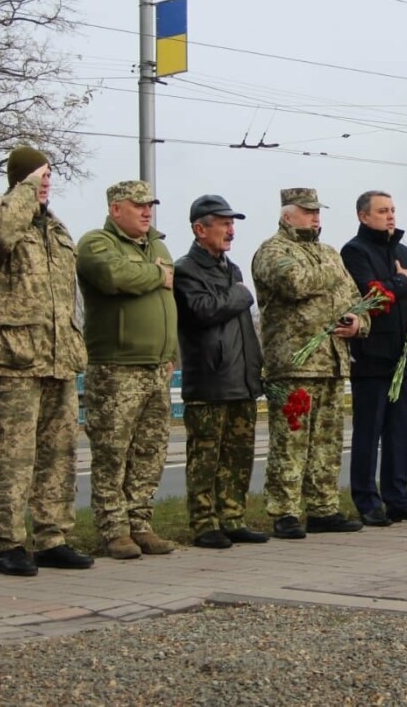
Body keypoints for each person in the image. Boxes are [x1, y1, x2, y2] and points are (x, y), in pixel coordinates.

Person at [0, 147, 93, 577]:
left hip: (58, 358)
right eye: (39, 175)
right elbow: (0, 236)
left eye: (48, 176)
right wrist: (23, 191)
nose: (46, 182)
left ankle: (52, 537)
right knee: (14, 456)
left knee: (59, 454)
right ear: (20, 180)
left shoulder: (56, 229)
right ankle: (9, 542)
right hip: (12, 359)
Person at [252, 188, 367, 539]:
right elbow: (294, 283)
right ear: (288, 215)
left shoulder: (329, 253)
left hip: (332, 361)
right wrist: (331, 271)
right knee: (291, 441)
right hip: (294, 363)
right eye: (307, 211)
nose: (316, 217)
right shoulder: (273, 250)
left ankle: (323, 508)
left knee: (327, 443)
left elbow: (356, 300)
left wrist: (360, 323)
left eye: (318, 211)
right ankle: (285, 511)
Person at [75, 180, 179, 560]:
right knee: (112, 452)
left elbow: (167, 299)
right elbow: (114, 277)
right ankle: (113, 529)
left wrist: (170, 352)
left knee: (149, 451)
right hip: (116, 367)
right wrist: (155, 274)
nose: (146, 211)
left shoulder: (158, 245)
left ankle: (140, 522)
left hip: (155, 367)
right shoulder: (96, 243)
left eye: (149, 204)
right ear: (116, 208)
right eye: (138, 205)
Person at [173, 194, 268, 548]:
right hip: (210, 380)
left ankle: (232, 516)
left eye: (232, 224)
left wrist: (254, 370)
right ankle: (203, 523)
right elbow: (202, 311)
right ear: (200, 229)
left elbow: (239, 326)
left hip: (240, 379)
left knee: (239, 456)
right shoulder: (185, 270)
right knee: (206, 458)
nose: (231, 230)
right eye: (223, 223)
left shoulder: (232, 270)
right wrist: (241, 295)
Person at [340, 191, 407, 526]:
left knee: (400, 432)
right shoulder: (354, 251)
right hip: (371, 355)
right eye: (383, 211)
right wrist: (401, 280)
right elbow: (372, 297)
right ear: (364, 216)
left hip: (402, 354)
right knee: (369, 433)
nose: (391, 216)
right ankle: (367, 501)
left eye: (393, 210)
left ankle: (398, 498)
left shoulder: (403, 251)